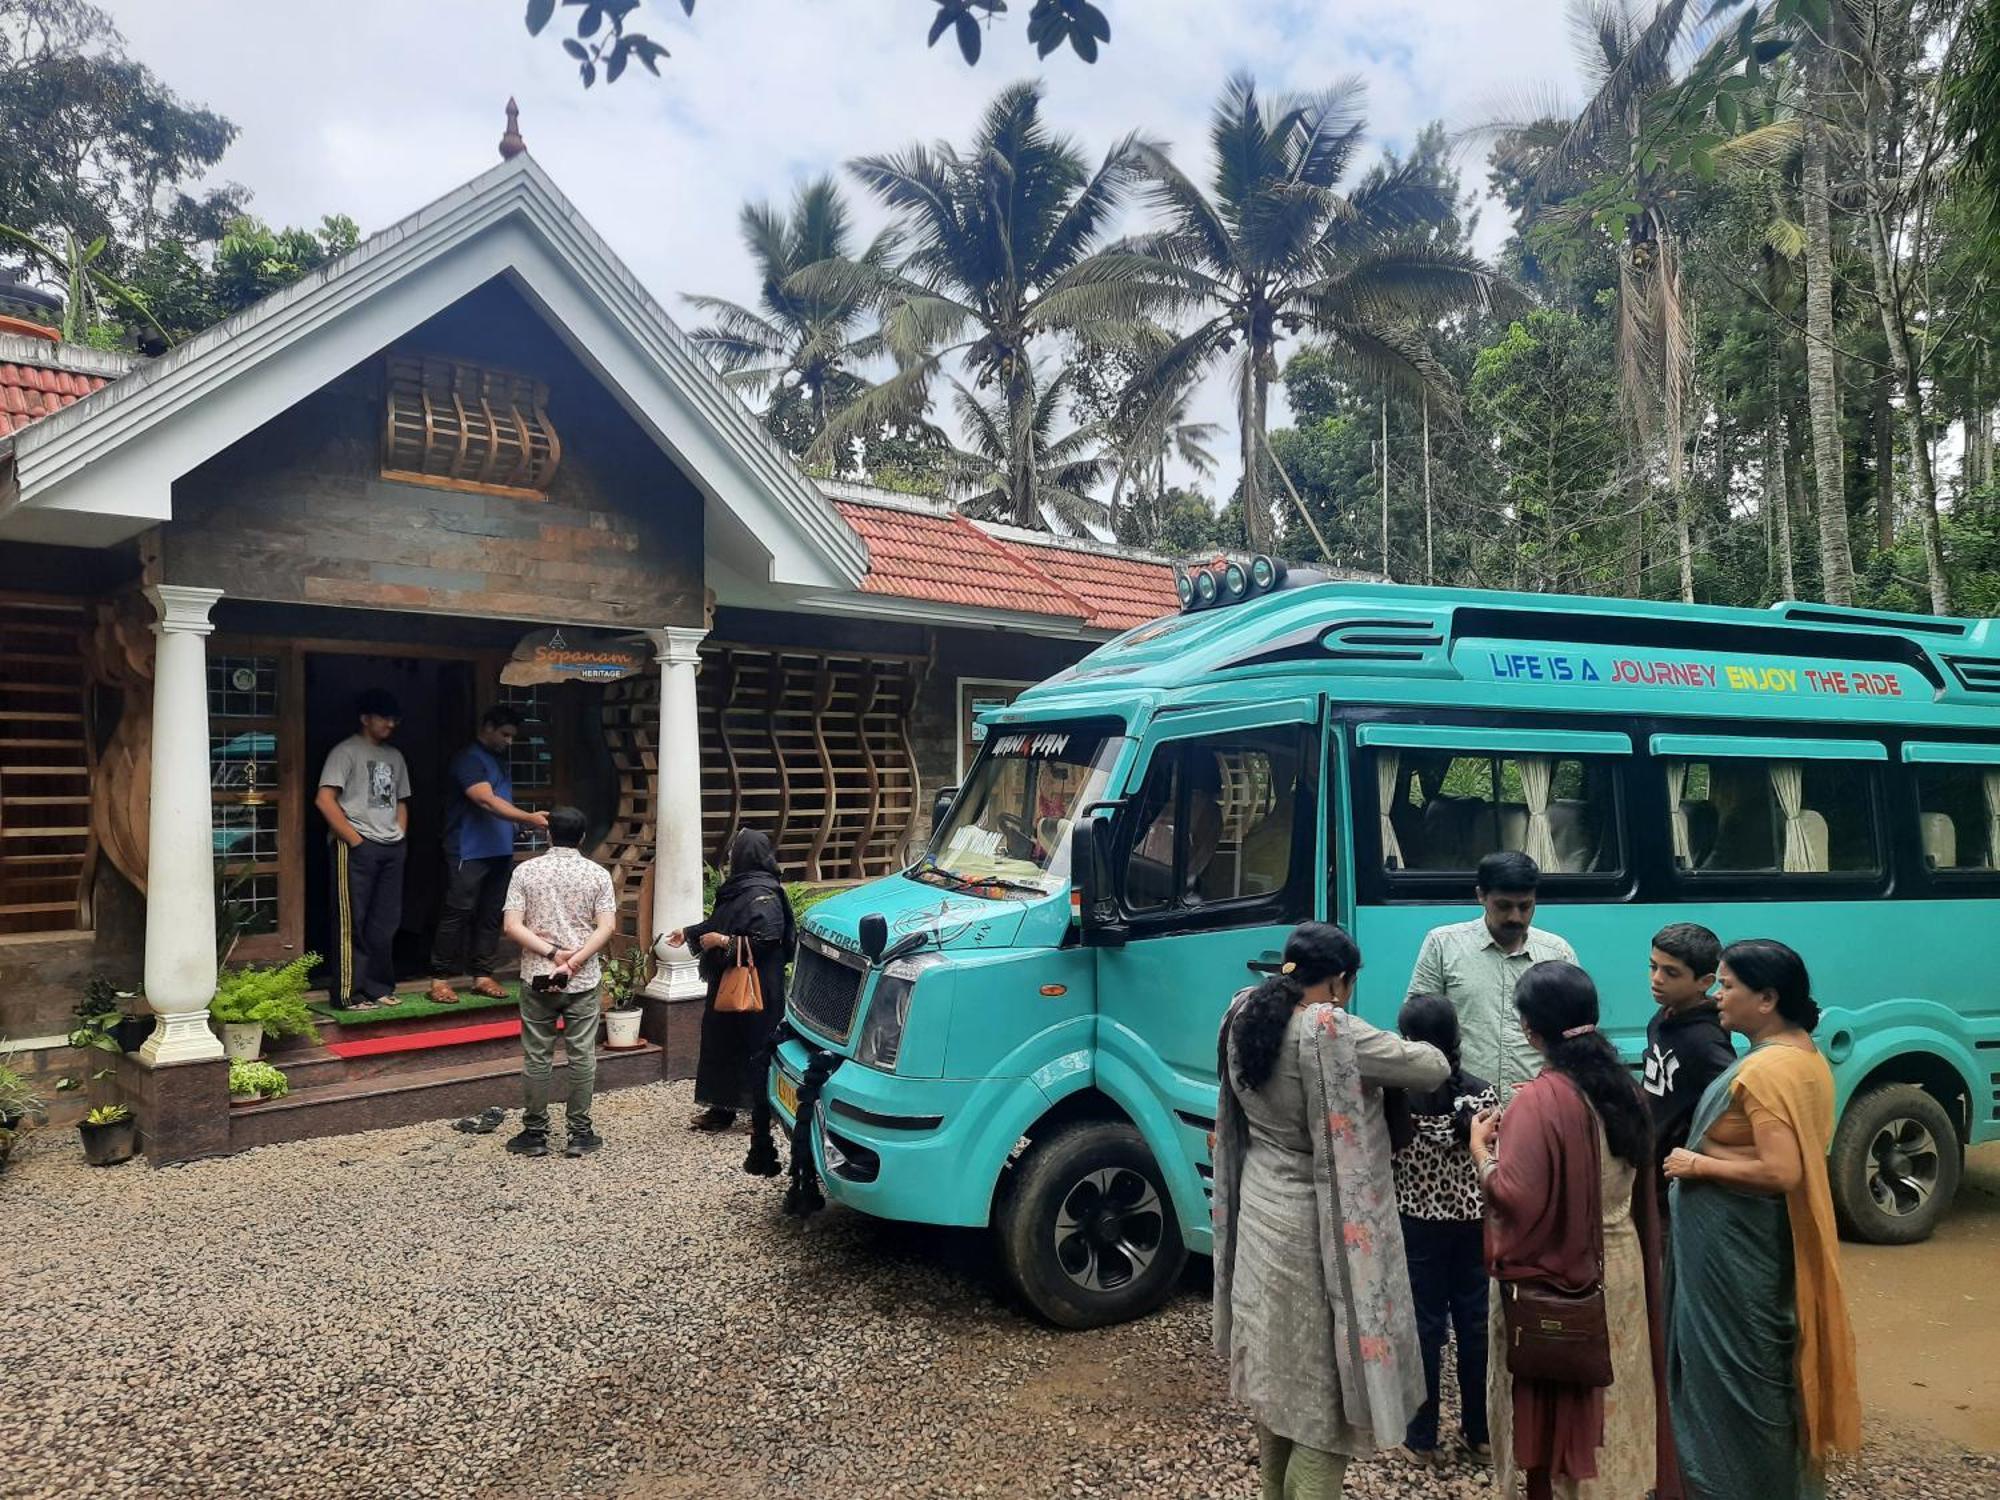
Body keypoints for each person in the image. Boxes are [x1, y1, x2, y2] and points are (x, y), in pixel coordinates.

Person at [1211, 922, 1450, 1499]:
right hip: (1320, 1232)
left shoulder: (1245, 1012)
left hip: (1263, 1216)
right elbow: (1431, 1068)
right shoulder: (1329, 1029)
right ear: (1341, 981)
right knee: (1325, 1407)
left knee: (1275, 1386)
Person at [1471, 960, 1678, 1500]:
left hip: (1560, 1276)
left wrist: (1480, 1153)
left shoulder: (1539, 1101)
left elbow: (1514, 1196)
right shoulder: (1624, 1089)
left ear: (1529, 1029)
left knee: (1562, 1394)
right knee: (1620, 1386)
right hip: (1623, 1264)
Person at [1663, 940, 1861, 1499]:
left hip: (1741, 1264)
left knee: (1738, 1390)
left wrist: (1697, 1161)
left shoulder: (1769, 1071)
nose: (1717, 995)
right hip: (1748, 1252)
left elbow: (1780, 1171)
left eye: (1727, 986)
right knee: (1750, 1385)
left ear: (1767, 999)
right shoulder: (1799, 1054)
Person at [1390, 994, 1499, 1470]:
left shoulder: (1393, 1098)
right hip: (1474, 1225)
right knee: (1476, 1326)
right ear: (1457, 1037)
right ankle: (1480, 1434)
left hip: (1416, 1227)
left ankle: (1421, 1438)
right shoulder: (1484, 1095)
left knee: (1424, 1329)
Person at [1407, 851, 1576, 1103]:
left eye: (1525, 906)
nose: (1515, 917)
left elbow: (1575, 1035)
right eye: (1504, 906)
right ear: (1481, 896)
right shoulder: (1443, 946)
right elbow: (1417, 1028)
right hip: (1463, 1107)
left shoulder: (1557, 953)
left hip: (1535, 1108)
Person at [499, 805, 618, 1158]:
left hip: (538, 973)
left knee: (537, 1055)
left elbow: (511, 926)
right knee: (582, 1055)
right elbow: (607, 926)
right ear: (582, 837)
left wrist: (553, 955)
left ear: (548, 834)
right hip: (582, 978)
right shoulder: (597, 874)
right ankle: (579, 1133)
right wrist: (576, 959)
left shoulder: (526, 872)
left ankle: (535, 1133)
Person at [668, 828, 795, 1134]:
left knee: (755, 1044)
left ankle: (762, 1112)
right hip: (729, 982)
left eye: (734, 850)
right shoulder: (738, 889)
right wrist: (690, 933)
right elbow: (720, 922)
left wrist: (723, 941)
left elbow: (768, 939)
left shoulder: (764, 893)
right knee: (721, 1044)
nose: (728, 855)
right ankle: (721, 1108)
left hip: (758, 986)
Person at [428, 705, 550, 1005]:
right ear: (487, 727)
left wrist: (514, 829)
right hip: (468, 851)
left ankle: (482, 975)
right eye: (505, 734)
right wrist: (528, 818)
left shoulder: (498, 760)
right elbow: (485, 800)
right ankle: (439, 979)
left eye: (513, 736)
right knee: (457, 912)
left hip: (499, 850)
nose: (509, 741)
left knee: (491, 914)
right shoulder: (469, 759)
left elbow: (500, 803)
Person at [315, 688, 411, 1010]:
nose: (390, 724)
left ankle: (378, 987)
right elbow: (324, 799)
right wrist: (355, 840)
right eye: (385, 718)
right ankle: (348, 993)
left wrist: (399, 834)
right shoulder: (345, 752)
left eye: (394, 719)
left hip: (391, 846)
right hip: (356, 845)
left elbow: (401, 800)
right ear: (365, 718)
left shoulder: (395, 756)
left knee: (385, 921)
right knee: (351, 920)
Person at [1641, 922, 1734, 1227]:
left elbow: (1733, 1100)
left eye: (1671, 973)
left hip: (1680, 1179)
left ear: (1705, 981)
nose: (1656, 979)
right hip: (1650, 1167)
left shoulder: (1706, 1040)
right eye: (1653, 966)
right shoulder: (1661, 1018)